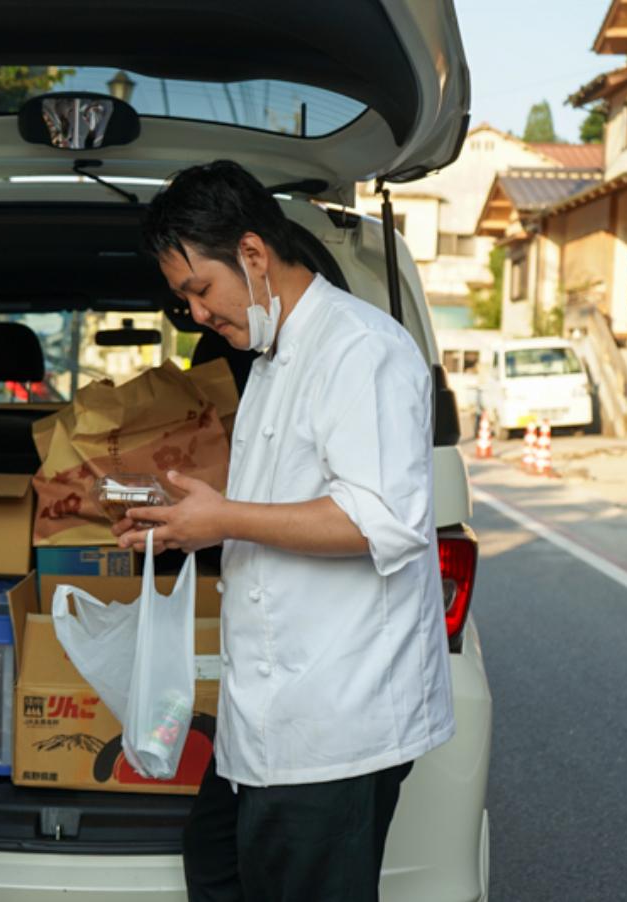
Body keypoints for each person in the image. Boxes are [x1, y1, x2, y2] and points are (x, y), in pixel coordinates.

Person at [116, 161, 455, 902]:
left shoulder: (360, 351)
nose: (197, 316)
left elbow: (381, 521)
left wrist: (226, 517)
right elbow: (285, 500)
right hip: (267, 712)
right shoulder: (270, 354)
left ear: (254, 254)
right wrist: (191, 528)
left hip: (335, 719)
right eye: (184, 302)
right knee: (215, 863)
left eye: (199, 290)